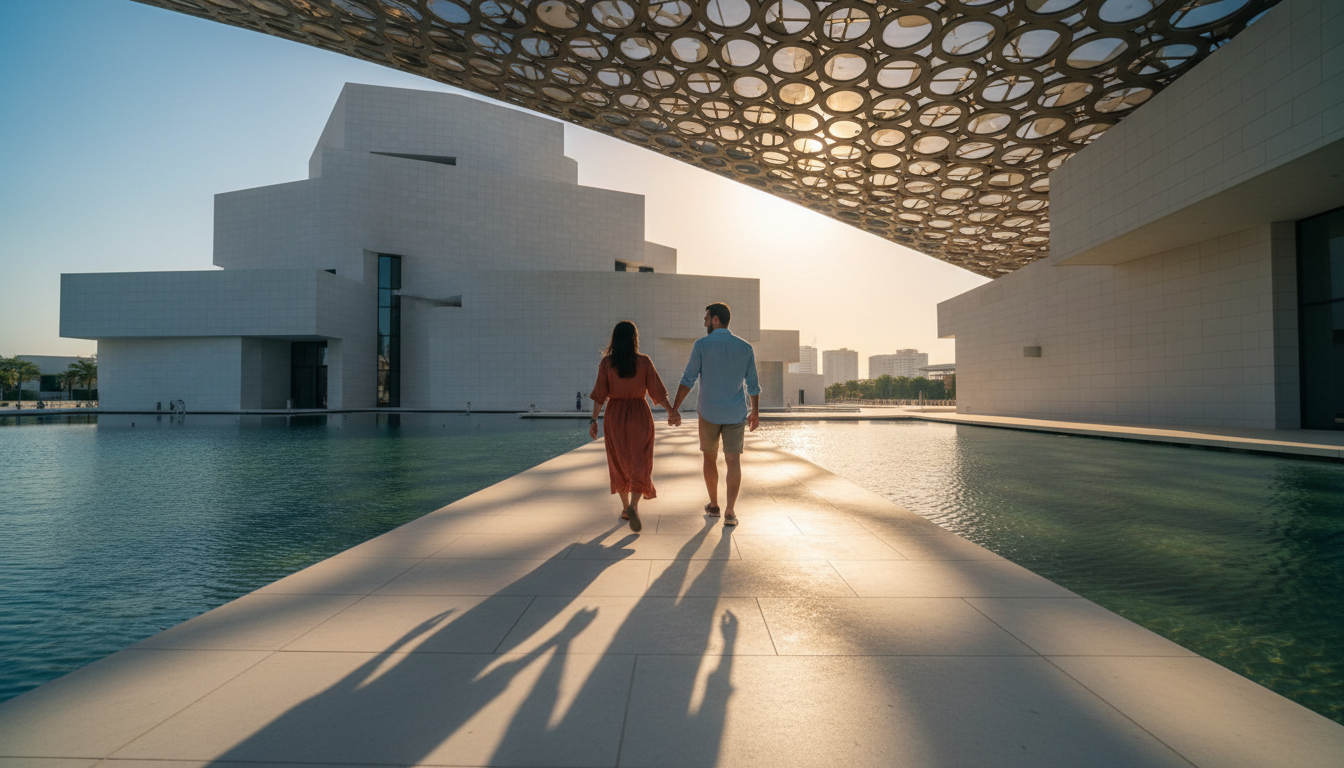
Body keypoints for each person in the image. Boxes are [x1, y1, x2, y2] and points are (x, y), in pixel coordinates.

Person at [670, 302, 760, 526]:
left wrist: (675, 408)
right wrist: (755, 413)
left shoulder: (702, 345)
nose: (704, 321)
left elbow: (688, 379)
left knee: (709, 458)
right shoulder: (745, 347)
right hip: (735, 414)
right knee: (733, 461)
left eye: (706, 317)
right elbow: (753, 385)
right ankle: (730, 512)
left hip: (708, 412)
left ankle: (714, 505)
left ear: (716, 319)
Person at [589, 320, 680, 532]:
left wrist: (593, 420)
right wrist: (671, 412)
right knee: (641, 460)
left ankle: (624, 508)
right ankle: (634, 506)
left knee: (618, 461)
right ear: (634, 339)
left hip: (615, 415)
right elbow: (657, 393)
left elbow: (599, 396)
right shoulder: (644, 362)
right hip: (640, 414)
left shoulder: (607, 364)